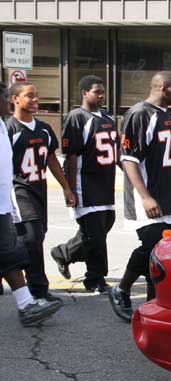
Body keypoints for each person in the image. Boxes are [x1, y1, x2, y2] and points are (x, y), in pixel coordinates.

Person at [108, 72, 171, 322]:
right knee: (151, 248)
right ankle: (121, 289)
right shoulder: (140, 113)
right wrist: (145, 196)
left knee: (163, 253)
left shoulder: (168, 117)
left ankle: (153, 305)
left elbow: (168, 153)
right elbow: (128, 159)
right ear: (164, 88)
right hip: (151, 197)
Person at [6, 82, 75, 304]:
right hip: (19, 190)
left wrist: (66, 187)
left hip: (40, 189)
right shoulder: (9, 129)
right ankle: (38, 290)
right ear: (15, 99)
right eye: (29, 96)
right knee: (31, 239)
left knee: (36, 236)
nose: (36, 99)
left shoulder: (44, 128)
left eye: (37, 95)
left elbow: (52, 159)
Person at [0, 82, 62, 326]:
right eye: (5, 96)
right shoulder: (9, 126)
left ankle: (27, 305)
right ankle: (32, 297)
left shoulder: (2, 128)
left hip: (4, 205)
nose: (7, 100)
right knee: (16, 249)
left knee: (9, 254)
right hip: (14, 198)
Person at [50, 75, 118, 293]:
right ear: (84, 93)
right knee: (95, 234)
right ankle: (95, 278)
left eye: (102, 91)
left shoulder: (107, 117)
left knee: (102, 228)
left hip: (106, 184)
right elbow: (70, 157)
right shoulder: (76, 118)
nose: (101, 95)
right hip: (86, 184)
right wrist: (69, 189)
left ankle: (64, 253)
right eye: (97, 91)